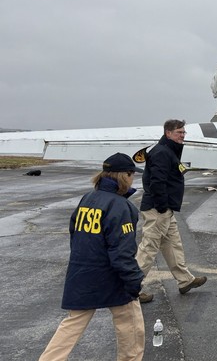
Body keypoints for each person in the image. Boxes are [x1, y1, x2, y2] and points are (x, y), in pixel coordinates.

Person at [39, 153, 145, 361]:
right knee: (131, 324)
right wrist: (134, 281)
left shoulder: (88, 198)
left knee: (72, 324)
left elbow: (74, 233)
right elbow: (122, 252)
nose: (133, 179)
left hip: (81, 271)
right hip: (111, 275)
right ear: (124, 175)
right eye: (132, 174)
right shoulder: (121, 206)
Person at [135, 119, 206, 303]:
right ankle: (129, 289)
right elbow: (156, 182)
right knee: (149, 248)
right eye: (178, 132)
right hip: (158, 209)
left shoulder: (168, 150)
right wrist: (161, 206)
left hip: (165, 209)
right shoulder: (162, 153)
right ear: (168, 133)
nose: (182, 135)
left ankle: (185, 280)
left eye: (183, 132)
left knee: (173, 244)